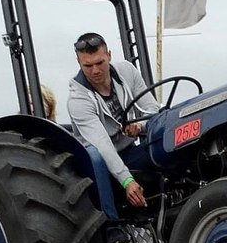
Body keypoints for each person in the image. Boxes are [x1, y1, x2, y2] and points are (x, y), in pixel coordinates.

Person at [66, 32, 159, 207]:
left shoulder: (127, 71)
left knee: (165, 150)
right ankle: (111, 224)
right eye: (88, 65)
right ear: (79, 63)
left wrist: (140, 125)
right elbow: (102, 145)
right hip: (95, 164)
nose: (95, 71)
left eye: (100, 63)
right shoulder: (78, 100)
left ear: (109, 55)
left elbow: (152, 109)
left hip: (128, 150)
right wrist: (127, 181)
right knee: (96, 156)